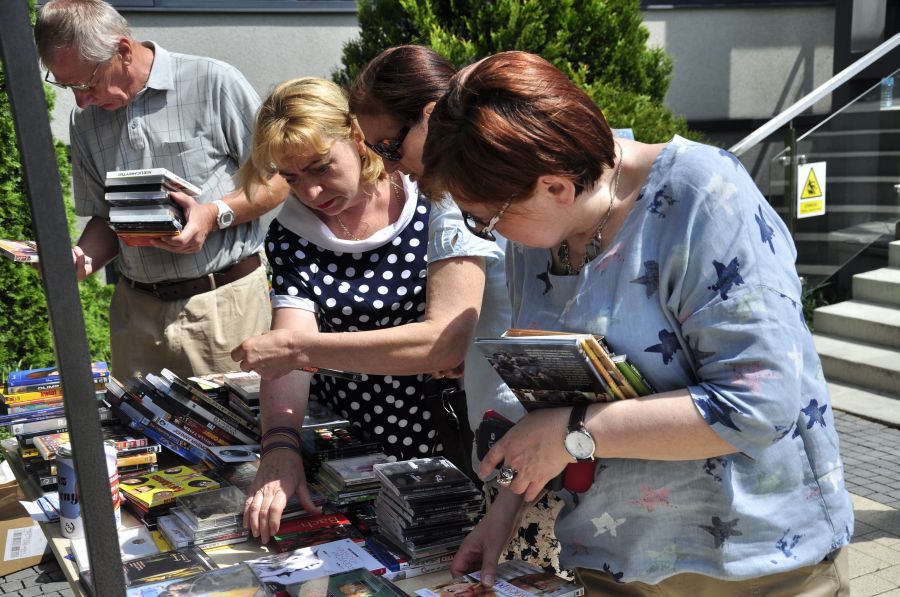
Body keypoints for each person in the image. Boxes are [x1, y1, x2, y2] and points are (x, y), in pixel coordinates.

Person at [420, 51, 854, 595]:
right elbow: (556, 400)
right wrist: (503, 508)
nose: (487, 231)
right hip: (611, 559)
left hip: (754, 564)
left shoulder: (702, 197)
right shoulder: (538, 234)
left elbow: (759, 405)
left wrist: (576, 435)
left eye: (487, 215)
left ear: (556, 186)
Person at [234, 77, 508, 545]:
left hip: (456, 431)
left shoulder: (431, 194)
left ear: (357, 138)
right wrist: (280, 444)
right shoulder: (292, 233)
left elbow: (442, 343)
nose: (313, 193)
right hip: (359, 447)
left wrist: (301, 349)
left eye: (322, 167)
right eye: (293, 178)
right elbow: (290, 349)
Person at [34, 0, 288, 379]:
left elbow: (278, 178)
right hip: (136, 317)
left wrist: (212, 214)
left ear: (122, 51)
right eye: (67, 85)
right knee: (133, 436)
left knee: (238, 435)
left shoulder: (212, 81)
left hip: (223, 306)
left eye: (86, 83)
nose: (80, 99)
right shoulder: (84, 120)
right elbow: (106, 217)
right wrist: (81, 257)